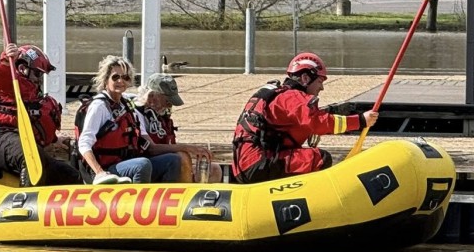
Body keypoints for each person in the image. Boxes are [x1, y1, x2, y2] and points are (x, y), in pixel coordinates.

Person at [231, 52, 379, 184]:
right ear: (305, 78)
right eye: (320, 81)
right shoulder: (293, 98)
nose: (321, 88)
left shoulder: (278, 95)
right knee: (319, 158)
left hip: (244, 165)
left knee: (300, 153)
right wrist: (360, 121)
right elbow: (318, 123)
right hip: (258, 163)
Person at [0, 42, 83, 186]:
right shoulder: (5, 83)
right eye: (37, 73)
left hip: (23, 140)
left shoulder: (32, 95)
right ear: (22, 68)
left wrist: (54, 140)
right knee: (31, 157)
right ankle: (26, 197)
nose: (39, 79)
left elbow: (36, 123)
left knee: (70, 175)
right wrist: (6, 58)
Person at [75, 55, 183, 185]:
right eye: (115, 77)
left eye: (125, 77)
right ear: (105, 80)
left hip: (126, 163)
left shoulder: (127, 104)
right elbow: (84, 143)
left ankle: (166, 196)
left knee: (173, 160)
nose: (120, 81)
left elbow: (147, 143)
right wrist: (99, 172)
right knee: (142, 164)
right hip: (105, 170)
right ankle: (138, 197)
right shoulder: (99, 106)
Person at [133, 73, 222, 183]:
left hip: (167, 163)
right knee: (181, 157)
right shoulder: (136, 113)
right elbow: (151, 148)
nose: (170, 105)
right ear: (151, 96)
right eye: (167, 101)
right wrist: (187, 148)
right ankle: (186, 191)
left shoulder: (160, 114)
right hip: (146, 164)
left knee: (214, 169)